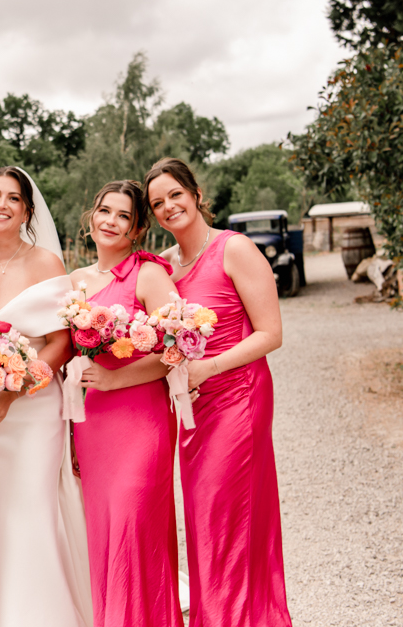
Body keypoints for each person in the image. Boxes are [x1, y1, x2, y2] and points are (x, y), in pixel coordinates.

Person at [144, 157, 292, 627]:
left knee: (229, 516)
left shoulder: (235, 249)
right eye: (157, 204)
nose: (168, 207)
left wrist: (207, 368)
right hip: (190, 407)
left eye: (175, 195)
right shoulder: (164, 266)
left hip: (238, 397)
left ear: (196, 194)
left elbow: (271, 333)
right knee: (204, 521)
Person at [0, 166, 92, 627]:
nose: (1, 205)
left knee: (30, 506)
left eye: (13, 198)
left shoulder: (46, 263)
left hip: (33, 410)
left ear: (27, 211)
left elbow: (61, 343)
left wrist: (15, 390)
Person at [67, 180, 184, 627]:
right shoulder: (78, 281)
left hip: (141, 422)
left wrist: (118, 380)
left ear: (137, 229)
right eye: (104, 211)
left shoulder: (150, 275)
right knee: (104, 535)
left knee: (134, 526)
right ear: (91, 217)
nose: (110, 222)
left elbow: (178, 349)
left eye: (123, 216)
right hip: (93, 425)